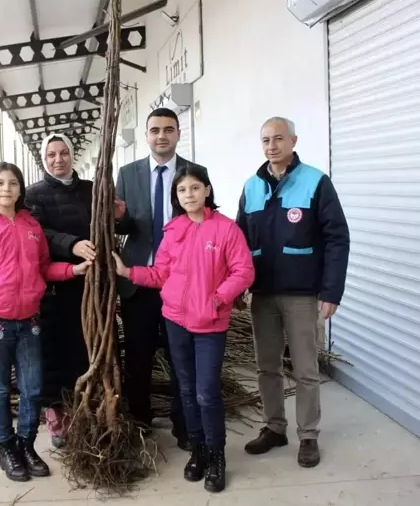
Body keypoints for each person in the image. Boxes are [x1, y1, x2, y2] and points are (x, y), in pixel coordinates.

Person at [113, 164, 254, 493]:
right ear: (176, 197)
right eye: (182, 190)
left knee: (206, 391)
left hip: (210, 324)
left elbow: (243, 271)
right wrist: (128, 271)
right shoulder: (173, 229)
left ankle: (217, 455)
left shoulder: (226, 229)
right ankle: (199, 449)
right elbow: (160, 274)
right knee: (187, 391)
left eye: (194, 188)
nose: (188, 194)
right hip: (176, 321)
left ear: (206, 190)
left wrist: (218, 298)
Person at [0, 162, 90, 482]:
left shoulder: (31, 226)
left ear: (21, 190)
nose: (7, 188)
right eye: (0, 183)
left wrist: (71, 271)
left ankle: (26, 444)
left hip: (30, 320)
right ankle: (6, 447)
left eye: (13, 183)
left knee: (32, 389)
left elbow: (44, 268)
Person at [236, 117, 350, 468]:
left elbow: (337, 237)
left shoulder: (315, 182)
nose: (272, 146)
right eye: (266, 140)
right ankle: (274, 428)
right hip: (263, 294)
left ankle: (308, 435)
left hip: (302, 294)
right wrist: (239, 286)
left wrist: (331, 291)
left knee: (304, 368)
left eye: (279, 139)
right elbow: (239, 241)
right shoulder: (252, 186)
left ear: (293, 140)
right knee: (266, 367)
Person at [24, 133, 115, 448]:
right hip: (54, 286)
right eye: (51, 155)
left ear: (72, 155)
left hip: (91, 284)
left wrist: (121, 215)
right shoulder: (32, 195)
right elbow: (39, 233)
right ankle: (56, 416)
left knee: (87, 348)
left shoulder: (91, 190)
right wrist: (72, 244)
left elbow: (109, 224)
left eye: (63, 153)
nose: (58, 160)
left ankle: (86, 410)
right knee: (53, 353)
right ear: (44, 159)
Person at [113, 107, 193, 449]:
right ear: (146, 135)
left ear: (178, 133)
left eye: (168, 130)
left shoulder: (194, 172)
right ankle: (141, 422)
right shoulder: (128, 173)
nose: (161, 136)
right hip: (139, 281)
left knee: (181, 356)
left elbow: (203, 217)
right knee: (139, 356)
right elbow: (121, 227)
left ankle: (185, 426)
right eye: (155, 130)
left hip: (180, 282)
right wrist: (119, 218)